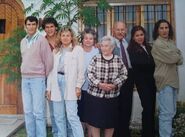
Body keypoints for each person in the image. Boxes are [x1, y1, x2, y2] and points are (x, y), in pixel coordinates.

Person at [84, 35, 128, 137]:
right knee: (95, 122)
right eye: (102, 46)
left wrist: (115, 84)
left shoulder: (118, 60)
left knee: (110, 123)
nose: (103, 48)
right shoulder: (95, 58)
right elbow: (89, 74)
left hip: (112, 97)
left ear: (112, 47)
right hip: (96, 96)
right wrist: (99, 84)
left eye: (106, 46)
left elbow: (124, 74)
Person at [20, 16, 53, 137]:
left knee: (38, 112)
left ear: (37, 26)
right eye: (28, 24)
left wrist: (42, 76)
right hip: (24, 79)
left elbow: (49, 61)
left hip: (37, 79)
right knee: (28, 111)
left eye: (33, 24)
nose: (31, 27)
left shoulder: (41, 40)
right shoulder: (23, 41)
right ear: (25, 26)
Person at [151, 19, 183, 137]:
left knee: (171, 112)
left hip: (173, 81)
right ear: (157, 30)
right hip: (165, 81)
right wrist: (176, 55)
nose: (165, 30)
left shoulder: (170, 42)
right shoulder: (157, 44)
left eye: (166, 27)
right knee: (166, 114)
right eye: (161, 28)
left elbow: (180, 59)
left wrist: (176, 55)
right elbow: (175, 58)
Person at [127, 25, 156, 137]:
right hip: (142, 83)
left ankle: (150, 132)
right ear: (133, 37)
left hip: (151, 83)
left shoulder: (148, 47)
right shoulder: (131, 49)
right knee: (147, 108)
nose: (140, 37)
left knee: (151, 109)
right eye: (137, 35)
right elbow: (139, 65)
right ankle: (147, 133)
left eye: (141, 35)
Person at [56, 26, 84, 137]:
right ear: (60, 37)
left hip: (70, 85)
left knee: (72, 116)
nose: (65, 38)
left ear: (72, 37)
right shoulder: (57, 50)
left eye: (68, 35)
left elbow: (81, 70)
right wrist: (49, 88)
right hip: (57, 83)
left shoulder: (77, 49)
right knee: (59, 116)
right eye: (63, 35)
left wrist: (78, 86)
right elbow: (52, 70)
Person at [112, 21, 134, 137]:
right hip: (115, 78)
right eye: (118, 29)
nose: (120, 32)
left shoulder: (128, 43)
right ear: (113, 30)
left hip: (128, 77)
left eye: (122, 29)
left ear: (125, 31)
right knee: (116, 107)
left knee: (127, 106)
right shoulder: (109, 43)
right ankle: (116, 134)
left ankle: (125, 132)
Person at [78, 28, 99, 137]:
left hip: (93, 89)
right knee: (81, 114)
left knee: (91, 116)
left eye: (91, 38)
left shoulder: (97, 51)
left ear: (94, 40)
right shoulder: (77, 50)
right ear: (82, 39)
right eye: (86, 38)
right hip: (80, 89)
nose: (88, 40)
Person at [42, 17, 59, 137]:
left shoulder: (63, 38)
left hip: (63, 76)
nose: (49, 29)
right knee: (53, 108)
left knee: (65, 108)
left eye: (51, 26)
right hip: (48, 77)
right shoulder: (41, 41)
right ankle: (56, 132)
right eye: (47, 27)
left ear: (56, 27)